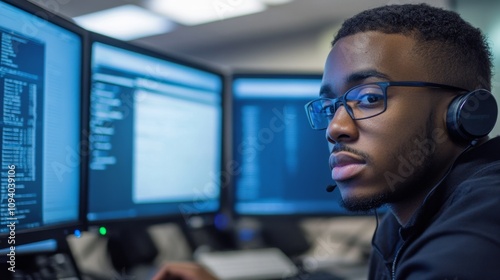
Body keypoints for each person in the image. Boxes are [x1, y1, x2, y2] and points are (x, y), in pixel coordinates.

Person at [153, 3, 500, 280]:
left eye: (367, 98)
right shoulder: (398, 223)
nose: (335, 128)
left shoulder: (478, 232)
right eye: (329, 106)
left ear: (466, 113)